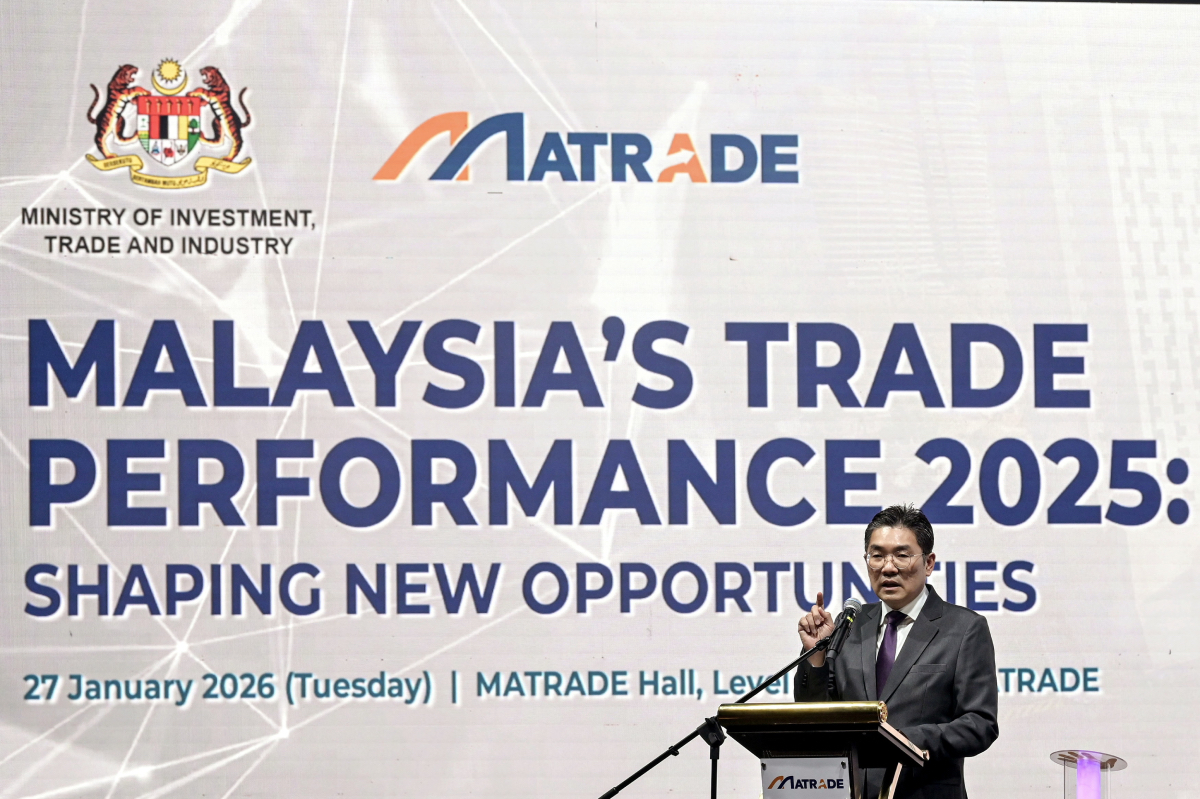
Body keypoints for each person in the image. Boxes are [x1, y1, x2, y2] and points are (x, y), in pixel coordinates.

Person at [794, 504, 998, 798]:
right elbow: (815, 716)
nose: (888, 567)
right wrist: (816, 657)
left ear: (928, 563)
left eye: (902, 555)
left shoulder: (964, 628)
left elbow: (980, 724)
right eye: (877, 556)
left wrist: (902, 740)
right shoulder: (849, 625)